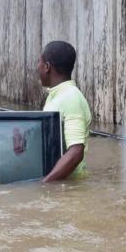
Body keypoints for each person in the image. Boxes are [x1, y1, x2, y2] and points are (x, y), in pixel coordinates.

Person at [37, 40, 91, 182]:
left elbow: (76, 152)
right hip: (58, 182)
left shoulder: (70, 97)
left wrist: (45, 183)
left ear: (47, 66)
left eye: (39, 63)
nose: (37, 68)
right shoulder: (56, 96)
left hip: (69, 187)